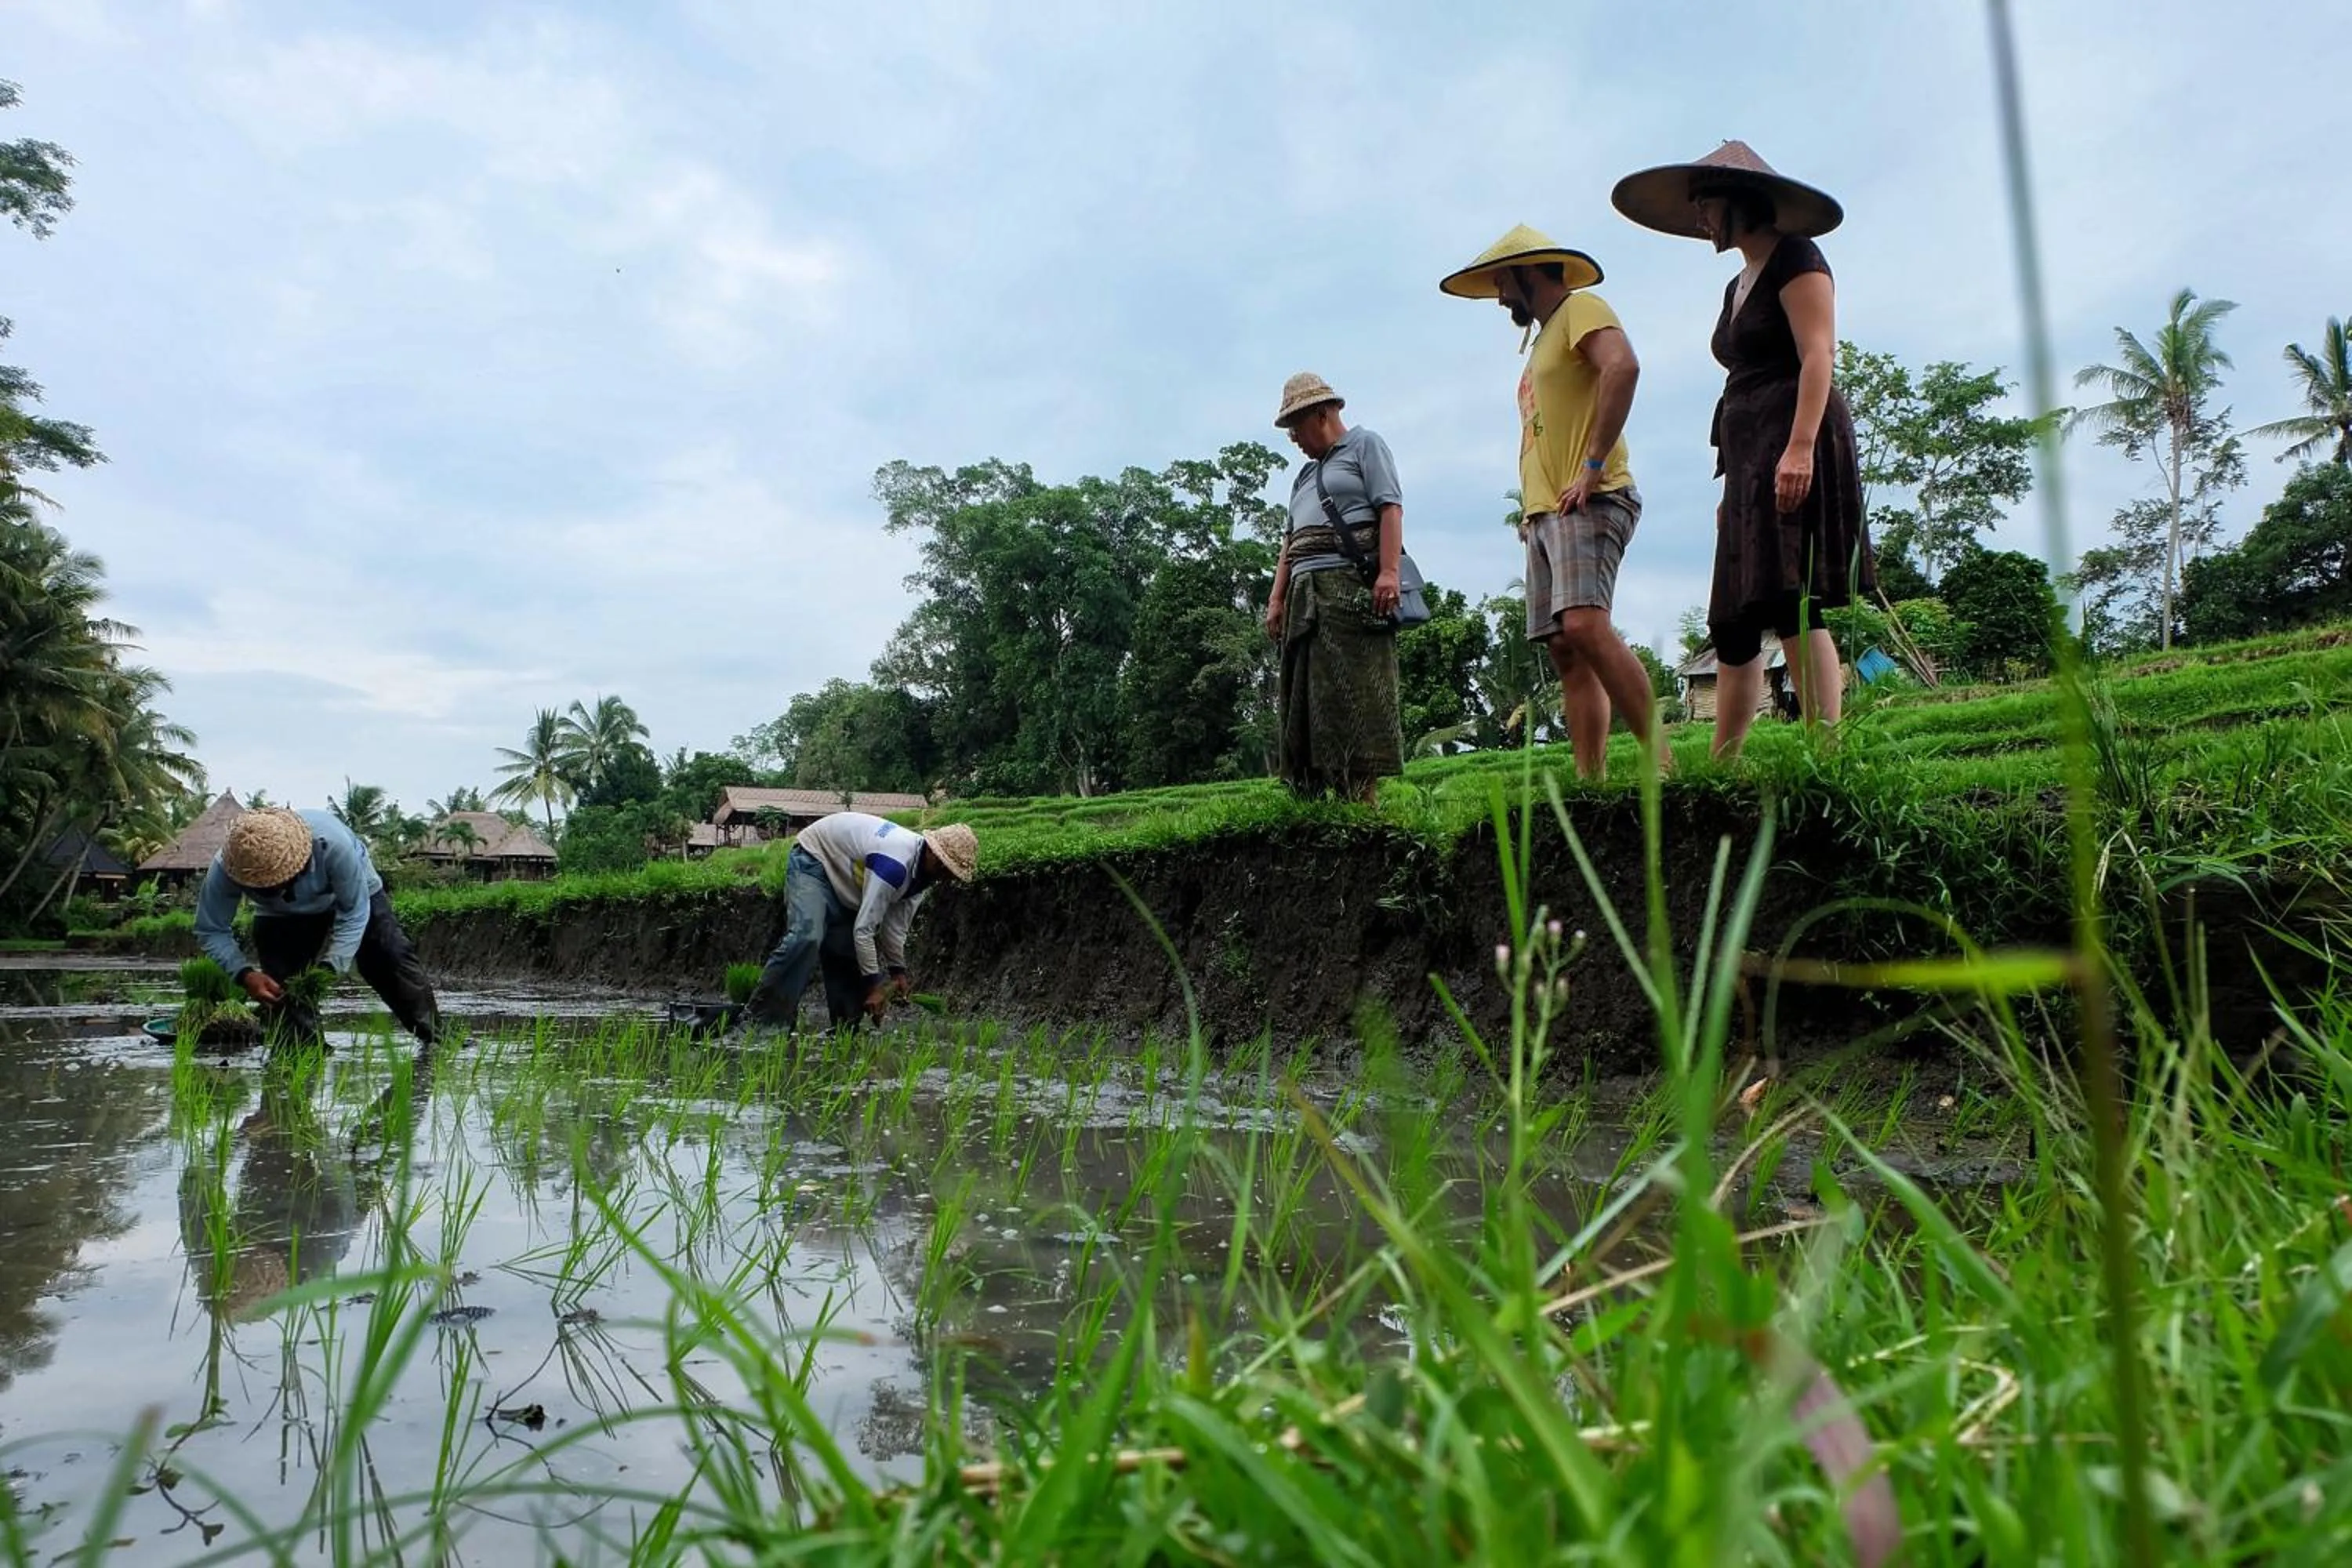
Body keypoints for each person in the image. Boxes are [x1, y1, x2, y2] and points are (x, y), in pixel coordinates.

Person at [1611, 141, 1875, 760]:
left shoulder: (1797, 259)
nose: (1700, 216)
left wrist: (1801, 448)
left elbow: (1818, 355)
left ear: (1741, 202)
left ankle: (1825, 751)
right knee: (1732, 615)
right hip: (1748, 456)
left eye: (1707, 203)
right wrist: (1736, 491)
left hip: (1792, 436)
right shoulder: (1737, 283)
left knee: (1792, 600)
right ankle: (1723, 762)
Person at [1442, 226, 1664, 780]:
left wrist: (1591, 465)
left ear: (1529, 271)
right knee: (1565, 645)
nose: (1499, 296)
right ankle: (1592, 779)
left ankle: (1659, 760)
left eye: (1502, 282)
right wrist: (1531, 506)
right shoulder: (1542, 341)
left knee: (1587, 625)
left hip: (1593, 496)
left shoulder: (1581, 309)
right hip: (1548, 511)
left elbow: (1623, 366)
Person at [1265, 372, 1407, 803]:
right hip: (1305, 601)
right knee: (1306, 706)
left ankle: (1361, 804)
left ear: (1322, 414)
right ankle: (1313, 804)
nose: (1293, 439)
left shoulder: (1366, 446)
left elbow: (1390, 507)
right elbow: (1289, 542)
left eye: (1297, 427)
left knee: (1354, 703)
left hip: (1348, 591)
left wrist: (1388, 572)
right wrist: (1276, 598)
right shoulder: (1304, 477)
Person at [194, 806, 440, 1048]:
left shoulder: (333, 846)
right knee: (284, 987)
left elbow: (354, 913)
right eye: (263, 888)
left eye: (279, 882)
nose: (275, 891)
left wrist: (331, 966)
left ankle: (437, 1038)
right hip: (279, 916)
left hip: (355, 892)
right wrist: (244, 974)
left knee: (389, 957)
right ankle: (303, 1055)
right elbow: (211, 928)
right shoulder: (229, 866)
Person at [734, 813, 978, 1035]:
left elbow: (894, 931)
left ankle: (844, 1031)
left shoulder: (922, 880)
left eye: (952, 874)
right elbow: (865, 930)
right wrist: (875, 986)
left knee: (844, 949)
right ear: (933, 853)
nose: (946, 878)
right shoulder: (894, 863)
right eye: (946, 868)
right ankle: (761, 1022)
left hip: (847, 881)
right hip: (815, 858)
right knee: (807, 936)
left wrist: (897, 972)